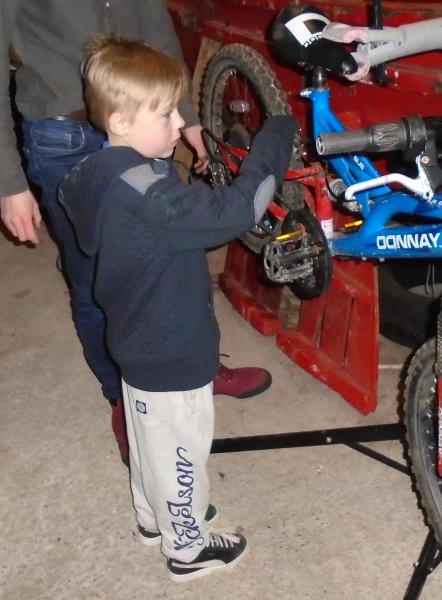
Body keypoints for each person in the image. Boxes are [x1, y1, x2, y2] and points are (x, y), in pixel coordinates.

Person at [0, 0, 274, 465]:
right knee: (96, 278)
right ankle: (123, 398)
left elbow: (158, 32)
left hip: (148, 123)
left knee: (177, 257)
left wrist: (184, 116)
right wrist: (9, 184)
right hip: (64, 134)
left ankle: (198, 369)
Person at [59, 36, 297, 580]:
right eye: (164, 114)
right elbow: (241, 208)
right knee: (182, 451)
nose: (176, 126)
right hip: (172, 346)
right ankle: (187, 545)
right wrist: (276, 134)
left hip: (136, 341)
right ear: (119, 120)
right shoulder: (152, 194)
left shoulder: (98, 174)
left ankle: (153, 516)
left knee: (150, 442)